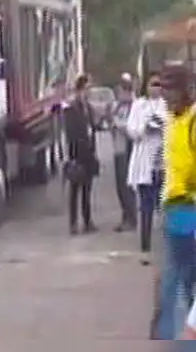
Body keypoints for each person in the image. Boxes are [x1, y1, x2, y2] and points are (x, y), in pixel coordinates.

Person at [151, 64, 196, 340]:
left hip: (190, 208)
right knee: (178, 276)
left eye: (170, 90)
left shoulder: (192, 121)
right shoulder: (173, 121)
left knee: (178, 276)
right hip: (173, 207)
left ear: (186, 91)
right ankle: (173, 335)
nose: (165, 96)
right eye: (163, 90)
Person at [126, 71, 166, 264]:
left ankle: (168, 248)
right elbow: (131, 130)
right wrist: (145, 128)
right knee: (146, 208)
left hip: (163, 164)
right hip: (144, 163)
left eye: (158, 84)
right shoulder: (138, 105)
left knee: (165, 209)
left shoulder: (167, 105)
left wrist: (162, 126)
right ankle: (145, 248)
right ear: (146, 86)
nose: (155, 88)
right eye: (152, 84)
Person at [63, 74, 99, 235]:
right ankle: (73, 223)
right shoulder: (71, 108)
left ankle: (87, 221)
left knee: (87, 190)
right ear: (80, 89)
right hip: (77, 154)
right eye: (87, 89)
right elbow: (71, 133)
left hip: (89, 154)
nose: (89, 92)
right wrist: (72, 155)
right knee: (75, 190)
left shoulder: (88, 108)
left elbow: (92, 128)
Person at [111, 80, 137, 232]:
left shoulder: (134, 107)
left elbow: (132, 129)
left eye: (120, 92)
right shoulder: (118, 106)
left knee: (127, 186)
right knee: (120, 187)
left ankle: (131, 218)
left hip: (127, 150)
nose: (118, 95)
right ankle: (125, 215)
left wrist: (118, 124)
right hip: (118, 149)